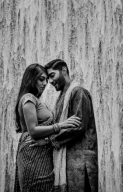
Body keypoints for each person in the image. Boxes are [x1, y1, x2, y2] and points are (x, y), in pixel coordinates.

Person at [14, 63, 81, 192]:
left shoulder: (35, 100)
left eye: (46, 79)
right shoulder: (28, 99)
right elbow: (33, 131)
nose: (45, 83)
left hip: (41, 153)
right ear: (30, 79)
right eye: (41, 79)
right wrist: (61, 125)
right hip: (33, 155)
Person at [43, 59, 98, 192]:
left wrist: (52, 140)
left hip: (82, 166)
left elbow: (78, 126)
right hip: (68, 164)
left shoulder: (79, 92)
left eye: (52, 75)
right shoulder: (61, 97)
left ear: (64, 71)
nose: (50, 81)